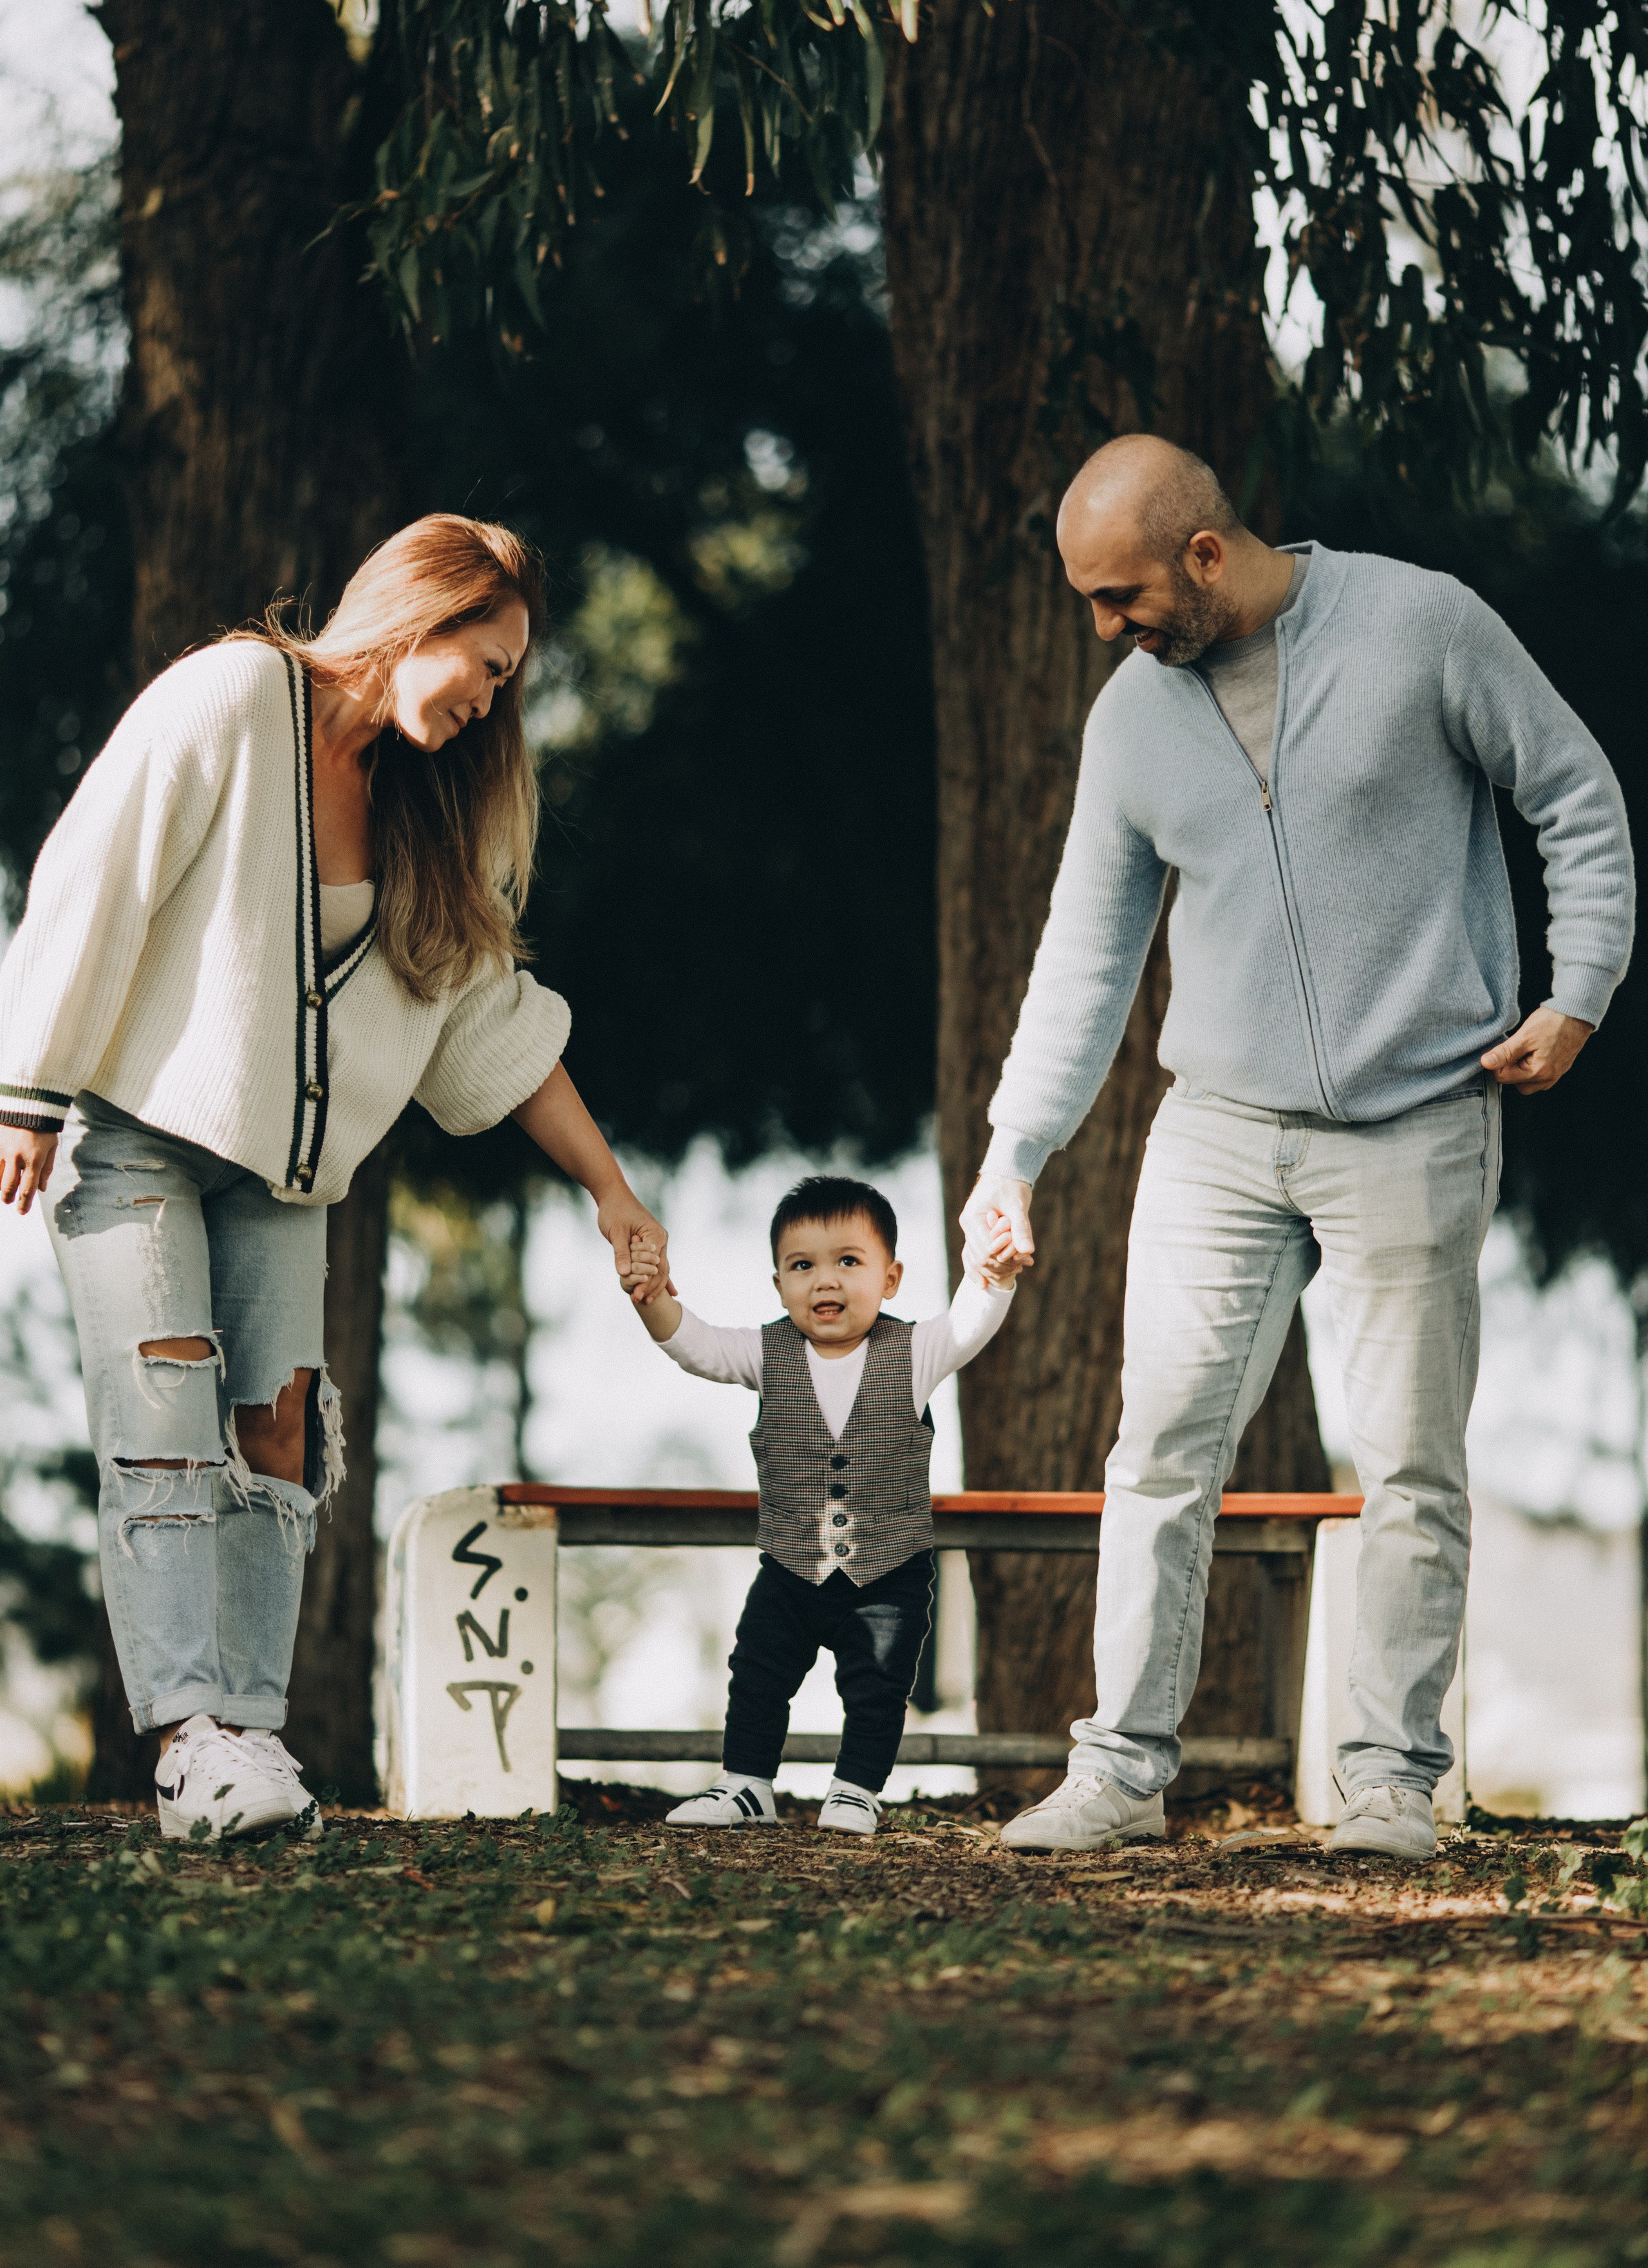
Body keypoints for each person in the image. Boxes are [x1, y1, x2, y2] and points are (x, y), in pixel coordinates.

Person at [962, 435, 1634, 1860]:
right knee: (1156, 1449)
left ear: (1204, 554)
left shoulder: (1421, 628)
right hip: (1214, 1129)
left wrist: (1575, 993)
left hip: (1415, 1118)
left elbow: (1573, 795)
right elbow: (1083, 959)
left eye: (1119, 594)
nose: (1104, 629)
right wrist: (1011, 1152)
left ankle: (1389, 1782)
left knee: (1403, 1462)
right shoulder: (1131, 722)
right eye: (1088, 601)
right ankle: (1121, 1773)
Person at [0, 516, 671, 1842]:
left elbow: (488, 1022)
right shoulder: (237, 696)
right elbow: (98, 873)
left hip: (287, 1181)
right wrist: (27, 1090)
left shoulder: (429, 810)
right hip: (141, 1138)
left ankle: (250, 1734)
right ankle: (189, 1740)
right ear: (417, 615)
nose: (493, 696)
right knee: (161, 1424)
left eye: (508, 676)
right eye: (485, 660)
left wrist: (614, 1192)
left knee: (279, 1444)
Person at [625, 1174, 1015, 1835]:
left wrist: (993, 1276)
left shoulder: (913, 1350)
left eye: (848, 1263)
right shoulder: (766, 1352)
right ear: (779, 1285)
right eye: (802, 1266)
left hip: (889, 1572)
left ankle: (856, 1791)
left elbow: (970, 1324)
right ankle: (747, 1786)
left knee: (878, 1687)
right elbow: (694, 1345)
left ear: (889, 1278)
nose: (824, 1281)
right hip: (789, 1568)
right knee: (756, 1671)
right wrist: (652, 1295)